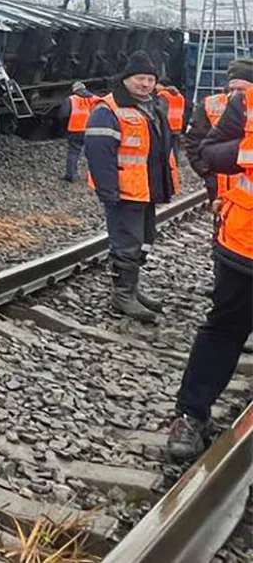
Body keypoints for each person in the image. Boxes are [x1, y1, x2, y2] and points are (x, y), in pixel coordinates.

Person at [168, 80, 253, 458]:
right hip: (244, 244)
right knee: (223, 330)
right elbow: (211, 153)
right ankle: (190, 415)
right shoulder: (247, 102)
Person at [84, 50, 179, 323]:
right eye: (140, 78)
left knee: (144, 241)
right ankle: (122, 295)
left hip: (147, 189)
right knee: (126, 243)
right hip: (125, 191)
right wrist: (108, 191)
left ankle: (132, 290)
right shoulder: (108, 109)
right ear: (126, 79)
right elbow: (99, 154)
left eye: (150, 79)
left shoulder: (154, 106)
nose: (145, 84)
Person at [185, 59, 253, 202]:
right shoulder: (211, 104)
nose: (234, 94)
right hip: (219, 186)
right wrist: (207, 173)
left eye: (241, 90)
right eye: (232, 89)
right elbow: (194, 141)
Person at [58, 81, 97, 182]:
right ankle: (92, 176)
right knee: (93, 153)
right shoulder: (94, 98)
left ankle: (71, 175)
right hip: (92, 129)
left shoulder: (71, 99)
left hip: (75, 129)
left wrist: (64, 126)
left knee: (73, 152)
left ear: (74, 90)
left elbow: (63, 115)